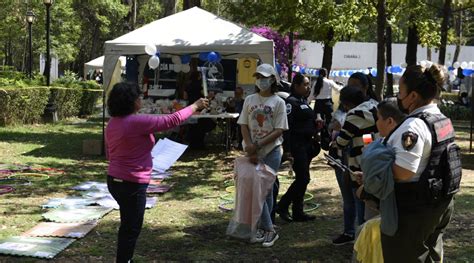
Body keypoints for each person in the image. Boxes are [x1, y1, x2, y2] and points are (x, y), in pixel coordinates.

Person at [105, 82, 208, 262]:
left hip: (115, 180)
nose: (141, 100)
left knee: (127, 224)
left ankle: (123, 258)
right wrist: (195, 106)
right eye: (139, 97)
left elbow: (113, 152)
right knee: (131, 228)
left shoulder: (113, 123)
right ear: (131, 101)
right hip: (132, 184)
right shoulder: (136, 122)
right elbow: (171, 120)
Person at [380, 64, 461, 262]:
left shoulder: (414, 126)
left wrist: (375, 174)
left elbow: (405, 172)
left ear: (413, 96)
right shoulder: (441, 119)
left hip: (414, 209)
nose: (398, 96)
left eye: (401, 90)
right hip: (440, 202)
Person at [237, 63, 288, 247]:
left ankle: (268, 229)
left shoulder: (279, 102)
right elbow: (243, 124)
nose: (261, 80)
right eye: (258, 76)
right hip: (252, 151)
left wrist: (257, 145)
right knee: (256, 190)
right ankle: (266, 228)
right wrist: (249, 146)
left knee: (264, 191)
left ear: (273, 79)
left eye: (264, 77)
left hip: (272, 151)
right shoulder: (250, 99)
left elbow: (279, 129)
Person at [331, 85, 379, 245]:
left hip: (359, 165)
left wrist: (336, 137)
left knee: (360, 202)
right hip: (378, 161)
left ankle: (362, 243)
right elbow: (368, 136)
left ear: (346, 103)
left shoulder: (354, 114)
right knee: (373, 207)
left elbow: (342, 141)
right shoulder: (374, 106)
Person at [277, 73, 319, 222]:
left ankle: (298, 211)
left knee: (304, 178)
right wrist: (287, 149)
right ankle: (282, 205)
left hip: (307, 144)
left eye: (308, 84)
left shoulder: (304, 101)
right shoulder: (290, 102)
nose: (308, 87)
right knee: (303, 178)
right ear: (296, 86)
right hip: (297, 144)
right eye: (306, 84)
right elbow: (286, 127)